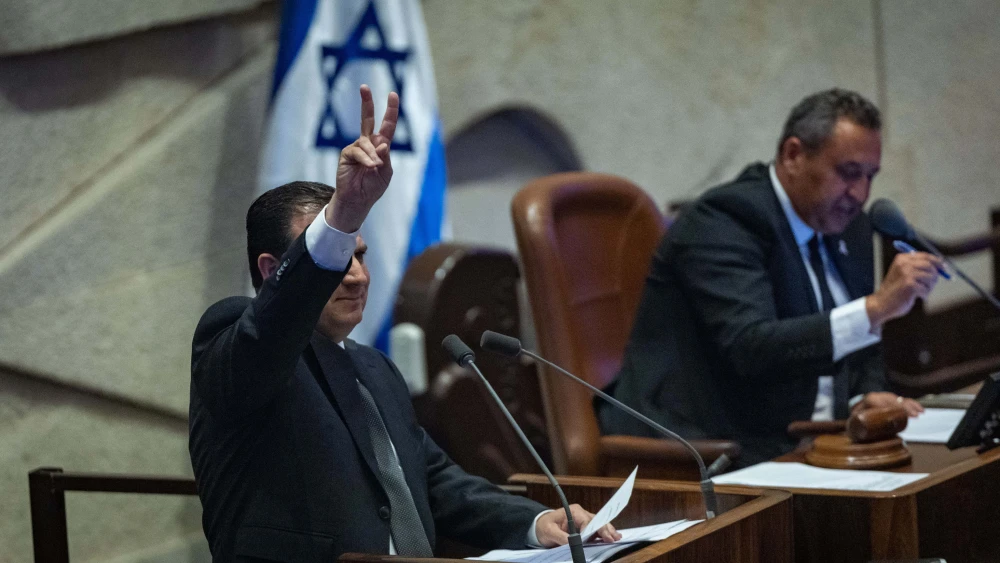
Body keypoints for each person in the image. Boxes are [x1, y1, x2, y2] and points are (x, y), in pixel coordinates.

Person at [189, 85, 619, 562]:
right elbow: (272, 329)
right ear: (272, 271)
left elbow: (431, 482)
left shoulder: (375, 369)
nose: (356, 276)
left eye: (361, 256)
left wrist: (535, 521)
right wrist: (343, 216)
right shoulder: (233, 340)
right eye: (338, 259)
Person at [599, 88, 943, 467]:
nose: (860, 193)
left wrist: (867, 394)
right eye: (848, 173)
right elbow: (751, 348)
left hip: (811, 437)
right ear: (793, 155)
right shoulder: (723, 221)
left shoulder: (849, 225)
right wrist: (877, 308)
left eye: (870, 176)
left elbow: (862, 342)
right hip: (706, 446)